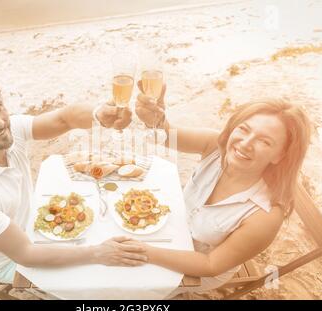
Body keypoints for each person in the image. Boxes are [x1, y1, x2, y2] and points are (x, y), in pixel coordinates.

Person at [0, 71, 146, 284]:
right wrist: (97, 253)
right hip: (11, 262)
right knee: (103, 276)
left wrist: (99, 114)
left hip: (33, 223)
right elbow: (26, 254)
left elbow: (64, 118)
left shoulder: (7, 131)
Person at [132, 82, 311, 292]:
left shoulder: (266, 215)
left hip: (196, 268)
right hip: (171, 229)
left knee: (123, 284)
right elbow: (164, 136)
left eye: (264, 141)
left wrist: (146, 252)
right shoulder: (215, 145)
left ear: (280, 155)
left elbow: (210, 265)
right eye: (244, 129)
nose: (245, 144)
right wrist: (156, 121)